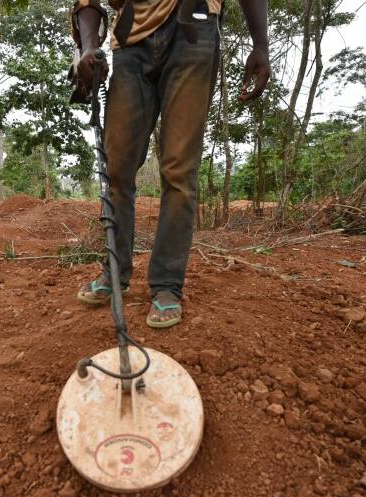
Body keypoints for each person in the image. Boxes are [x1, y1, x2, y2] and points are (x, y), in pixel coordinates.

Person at [72, 0, 269, 328]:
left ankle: (166, 286)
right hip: (129, 41)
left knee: (178, 169)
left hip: (194, 27)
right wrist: (89, 48)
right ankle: (114, 272)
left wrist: (260, 45)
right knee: (117, 168)